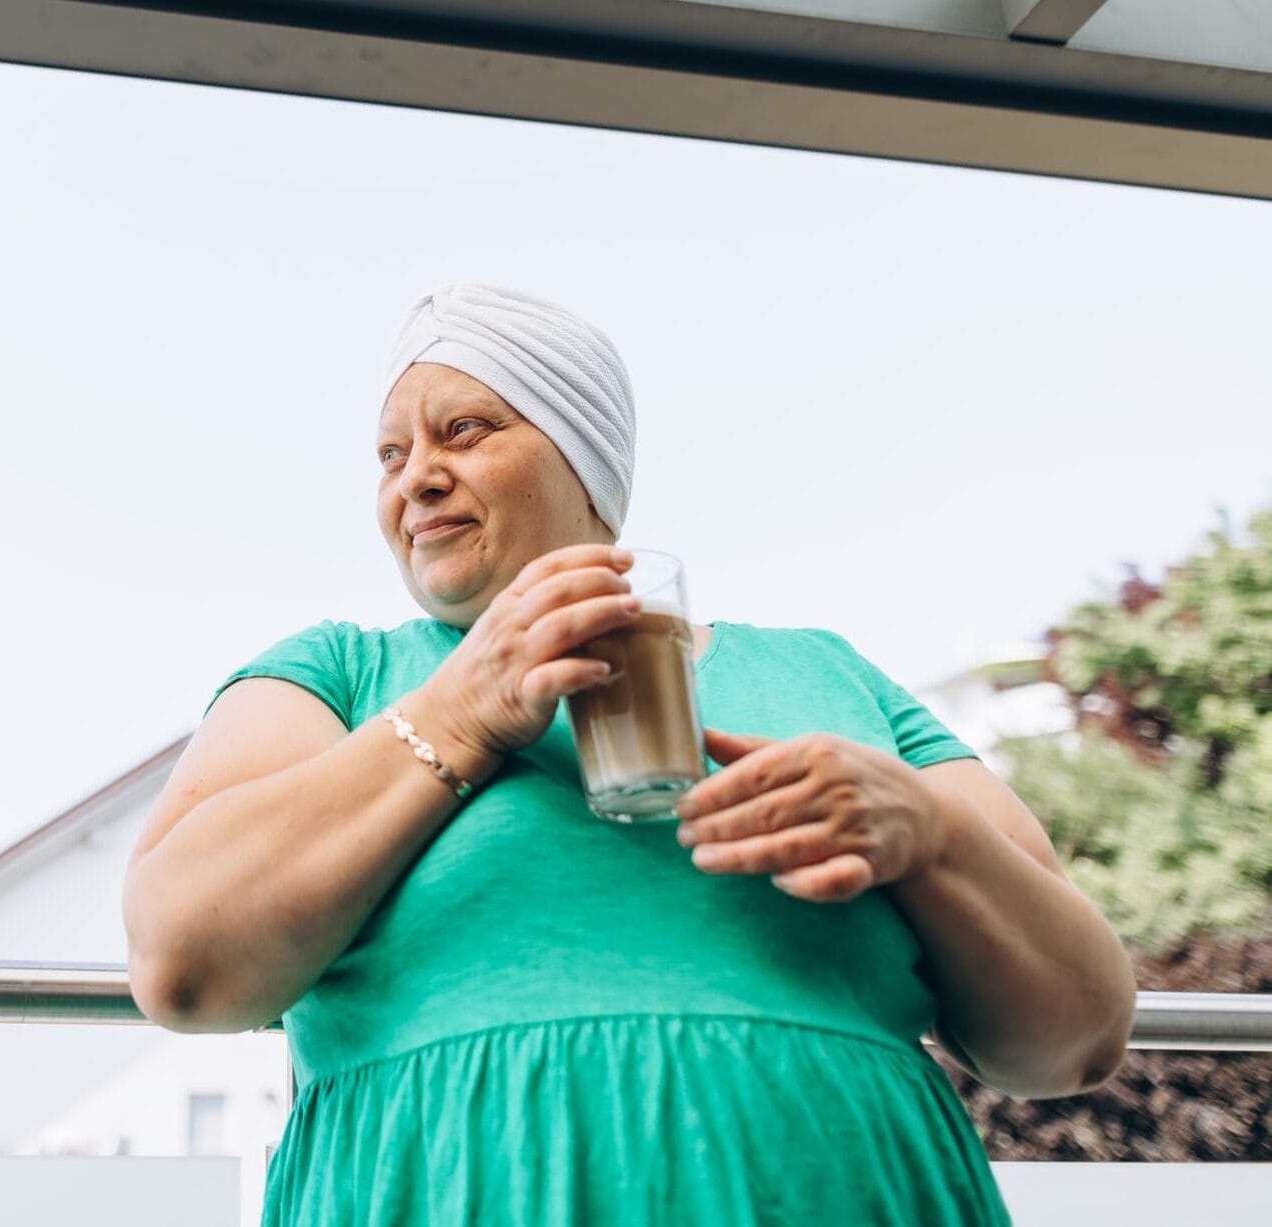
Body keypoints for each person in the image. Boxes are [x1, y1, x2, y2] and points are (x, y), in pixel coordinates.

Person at [123, 282, 1136, 1224]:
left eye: (464, 431)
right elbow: (184, 965)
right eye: (390, 456)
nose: (416, 478)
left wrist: (929, 839)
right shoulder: (335, 674)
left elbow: (1074, 1036)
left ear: (581, 453)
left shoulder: (825, 676)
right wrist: (459, 715)